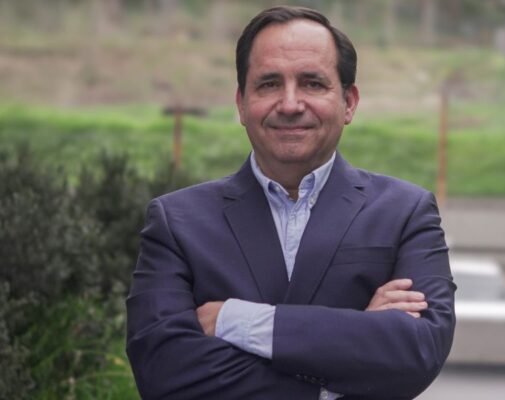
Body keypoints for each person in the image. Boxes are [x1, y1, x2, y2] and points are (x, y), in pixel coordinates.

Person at [126, 5, 455, 400]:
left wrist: (236, 319)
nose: (290, 104)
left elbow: (419, 349)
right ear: (241, 103)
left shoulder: (405, 213)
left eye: (312, 83)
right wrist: (350, 350)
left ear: (349, 102)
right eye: (268, 84)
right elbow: (163, 371)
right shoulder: (176, 222)